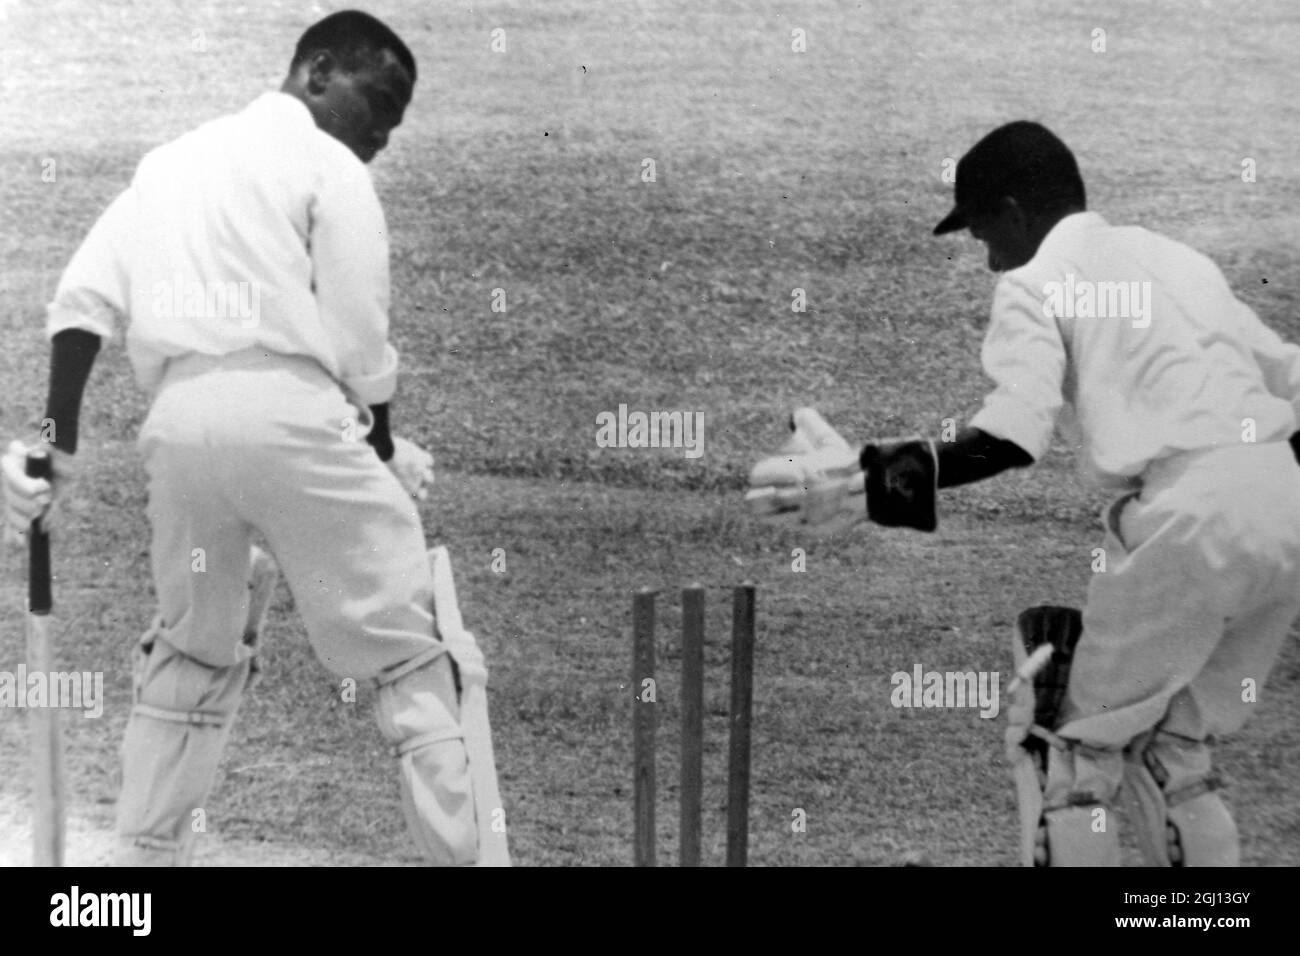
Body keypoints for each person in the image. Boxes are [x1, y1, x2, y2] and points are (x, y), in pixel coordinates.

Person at [2, 9, 507, 866]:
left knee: (194, 650)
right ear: (316, 71)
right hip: (290, 417)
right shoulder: (328, 163)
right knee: (405, 652)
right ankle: (471, 861)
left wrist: (57, 446)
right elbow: (356, 332)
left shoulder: (168, 165)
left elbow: (81, 304)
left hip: (180, 433)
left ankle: (140, 876)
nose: (381, 134)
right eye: (377, 103)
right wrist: (380, 442)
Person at [751, 120, 1300, 866]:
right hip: (1284, 507)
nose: (987, 260)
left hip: (1187, 520)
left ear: (1014, 210)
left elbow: (1010, 436)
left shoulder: (1035, 282)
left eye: (982, 234)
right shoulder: (1179, 260)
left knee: (1068, 749)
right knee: (1178, 753)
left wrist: (875, 482)